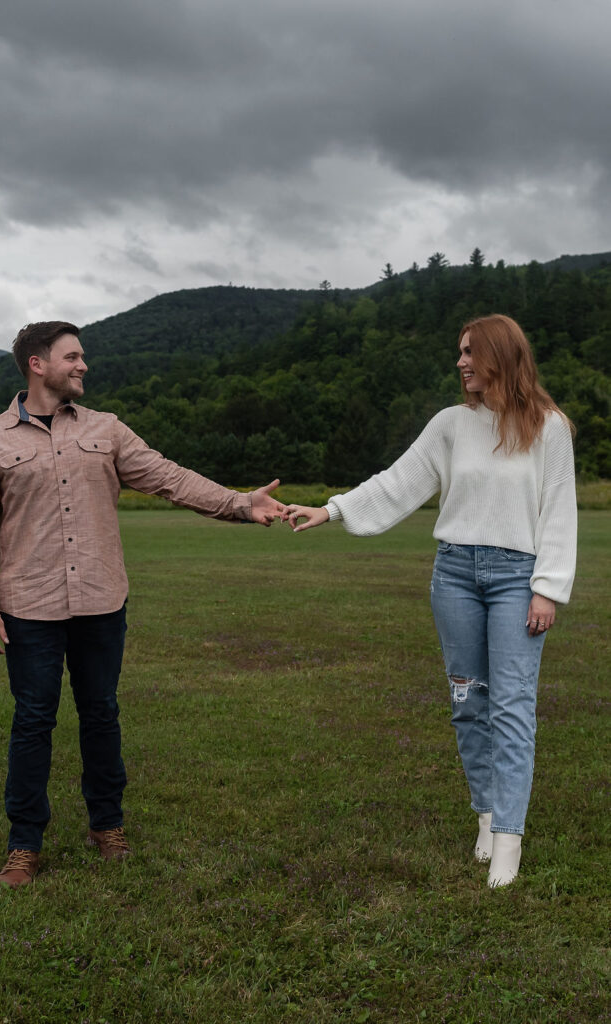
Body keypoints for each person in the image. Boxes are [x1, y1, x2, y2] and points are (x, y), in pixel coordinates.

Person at [0, 321, 284, 889]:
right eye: (73, 356)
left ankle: (107, 825)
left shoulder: (107, 430)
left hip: (101, 601)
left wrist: (239, 503)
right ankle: (24, 843)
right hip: (28, 607)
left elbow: (168, 478)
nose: (84, 366)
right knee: (33, 721)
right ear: (38, 364)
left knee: (101, 713)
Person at [282, 314, 576, 888]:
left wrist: (547, 588)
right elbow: (398, 481)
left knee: (512, 706)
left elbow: (559, 509)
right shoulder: (449, 424)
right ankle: (487, 817)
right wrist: (333, 508)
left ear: (501, 355)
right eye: (459, 353)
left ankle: (510, 840)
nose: (462, 362)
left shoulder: (549, 426)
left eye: (471, 352)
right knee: (469, 701)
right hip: (456, 575)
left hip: (518, 577)